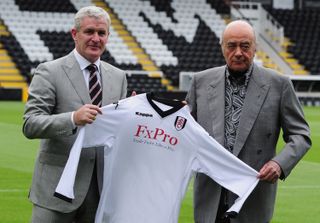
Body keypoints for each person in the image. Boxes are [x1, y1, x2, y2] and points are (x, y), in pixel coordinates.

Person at [186, 20, 311, 223]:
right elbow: (184, 129)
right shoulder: (200, 82)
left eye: (245, 46)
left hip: (253, 198)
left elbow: (300, 135)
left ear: (254, 49)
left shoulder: (279, 85)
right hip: (210, 196)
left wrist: (279, 164)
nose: (238, 52)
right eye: (231, 46)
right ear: (222, 48)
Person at [22, 6, 127, 223]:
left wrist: (133, 114)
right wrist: (72, 119)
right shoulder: (49, 71)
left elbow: (117, 133)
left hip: (100, 190)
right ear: (74, 34)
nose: (96, 39)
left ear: (108, 36)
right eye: (89, 32)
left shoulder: (118, 77)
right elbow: (30, 124)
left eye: (102, 33)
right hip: (55, 189)